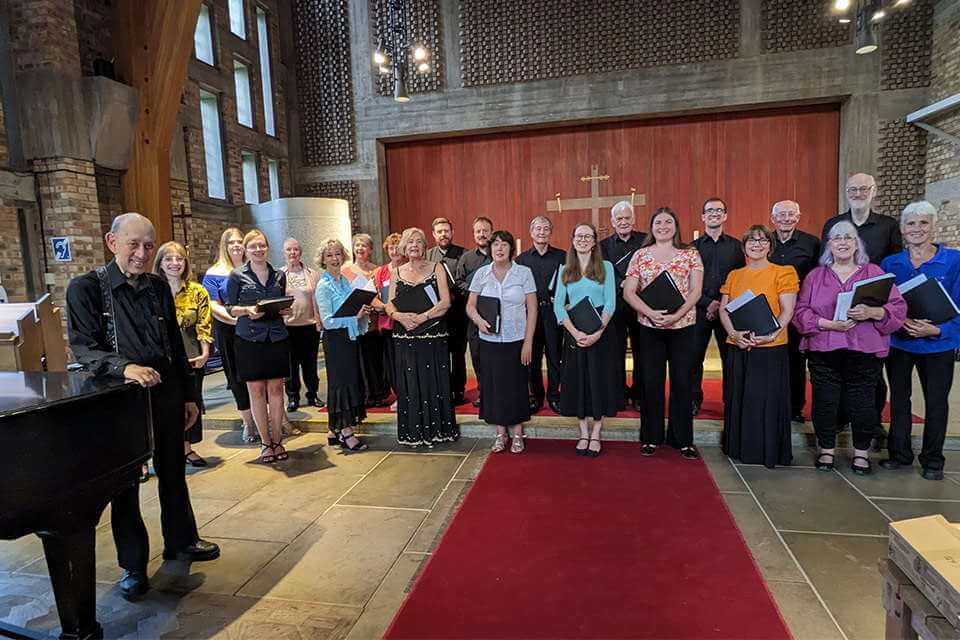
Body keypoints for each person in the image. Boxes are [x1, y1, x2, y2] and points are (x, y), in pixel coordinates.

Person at [67, 213, 220, 601]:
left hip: (166, 393)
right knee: (125, 487)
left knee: (173, 472)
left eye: (148, 245)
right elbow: (84, 347)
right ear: (111, 241)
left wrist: (189, 396)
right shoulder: (85, 288)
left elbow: (173, 344)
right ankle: (133, 566)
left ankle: (181, 541)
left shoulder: (156, 287)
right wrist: (126, 368)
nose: (141, 253)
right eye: (133, 244)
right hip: (121, 401)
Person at [793, 221, 905, 475]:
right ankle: (826, 449)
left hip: (863, 349)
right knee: (825, 401)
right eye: (837, 238)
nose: (842, 242)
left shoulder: (874, 272)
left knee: (863, 403)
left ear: (857, 244)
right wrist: (827, 323)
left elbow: (898, 308)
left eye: (848, 238)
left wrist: (873, 311)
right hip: (824, 347)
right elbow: (801, 312)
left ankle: (862, 453)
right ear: (829, 245)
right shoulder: (815, 276)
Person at [880, 201, 960, 481]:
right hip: (900, 342)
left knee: (936, 401)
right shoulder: (891, 263)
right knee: (900, 399)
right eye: (911, 224)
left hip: (938, 343)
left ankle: (933, 460)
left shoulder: (954, 260)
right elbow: (885, 302)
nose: (917, 229)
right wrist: (900, 322)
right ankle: (899, 454)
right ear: (902, 229)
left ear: (933, 226)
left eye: (923, 223)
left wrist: (937, 331)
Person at [624, 207, 704, 459]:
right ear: (652, 227)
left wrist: (676, 315)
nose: (663, 226)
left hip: (683, 327)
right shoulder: (640, 255)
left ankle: (683, 439)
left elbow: (696, 291)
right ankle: (651, 436)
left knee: (682, 381)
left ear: (676, 225)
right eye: (658, 222)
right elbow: (629, 292)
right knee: (651, 382)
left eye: (668, 221)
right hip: (650, 327)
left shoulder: (690, 253)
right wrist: (650, 313)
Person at [719, 225, 799, 468]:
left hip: (770, 346)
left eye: (762, 240)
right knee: (740, 397)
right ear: (744, 247)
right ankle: (739, 447)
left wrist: (770, 335)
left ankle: (766, 451)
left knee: (765, 400)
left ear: (770, 246)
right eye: (751, 240)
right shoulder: (735, 275)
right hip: (739, 344)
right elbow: (724, 308)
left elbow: (787, 311)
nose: (757, 244)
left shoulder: (783, 272)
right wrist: (733, 332)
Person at [385, 227, 459, 446]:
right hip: (406, 336)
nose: (414, 245)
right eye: (410, 242)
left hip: (433, 334)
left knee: (434, 381)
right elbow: (389, 305)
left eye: (418, 241)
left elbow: (445, 302)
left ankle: (439, 430)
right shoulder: (396, 272)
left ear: (425, 246)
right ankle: (413, 433)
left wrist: (422, 317)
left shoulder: (437, 268)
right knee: (410, 382)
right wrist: (400, 316)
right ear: (404, 248)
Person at [467, 230, 538, 453]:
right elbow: (470, 305)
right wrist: (478, 320)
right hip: (489, 340)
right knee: (494, 386)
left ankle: (517, 434)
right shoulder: (481, 274)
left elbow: (533, 309)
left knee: (516, 386)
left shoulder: (524, 273)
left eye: (504, 244)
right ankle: (500, 434)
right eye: (495, 244)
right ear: (490, 249)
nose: (499, 248)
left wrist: (528, 342)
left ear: (511, 249)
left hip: (516, 339)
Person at [224, 230, 292, 464]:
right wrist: (247, 311)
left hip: (276, 336)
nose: (258, 250)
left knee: (275, 390)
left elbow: (281, 301)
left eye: (261, 245)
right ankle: (265, 443)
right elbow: (230, 308)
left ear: (267, 247)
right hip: (249, 339)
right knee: (256, 391)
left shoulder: (278, 275)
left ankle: (277, 440)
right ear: (246, 249)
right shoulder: (237, 275)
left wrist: (286, 309)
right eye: (253, 246)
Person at [554, 223, 620, 457]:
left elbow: (611, 302)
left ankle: (597, 431)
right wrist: (575, 332)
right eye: (578, 236)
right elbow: (558, 306)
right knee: (579, 381)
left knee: (598, 381)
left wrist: (598, 332)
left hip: (600, 332)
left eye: (587, 236)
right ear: (572, 240)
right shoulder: (565, 269)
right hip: (574, 332)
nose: (583, 239)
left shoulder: (606, 267)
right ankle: (583, 431)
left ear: (594, 242)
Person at [153, 241, 213, 468]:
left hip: (191, 355)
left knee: (191, 401)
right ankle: (160, 450)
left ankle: (186, 448)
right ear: (160, 263)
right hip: (161, 358)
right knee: (164, 404)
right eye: (169, 259)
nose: (174, 263)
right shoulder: (151, 292)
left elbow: (204, 324)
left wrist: (205, 351)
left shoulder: (197, 291)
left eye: (179, 259)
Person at [314, 238, 370, 452]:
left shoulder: (344, 281)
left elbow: (350, 309)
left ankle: (333, 429)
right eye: (329, 255)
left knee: (348, 381)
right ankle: (345, 432)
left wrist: (362, 313)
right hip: (336, 341)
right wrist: (354, 317)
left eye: (337, 254)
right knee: (341, 384)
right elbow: (327, 321)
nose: (334, 258)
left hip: (349, 338)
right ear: (323, 259)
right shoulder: (323, 285)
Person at [691, 197, 744, 417]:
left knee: (730, 360)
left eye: (719, 210)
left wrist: (721, 303)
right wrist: (707, 302)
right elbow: (687, 281)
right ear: (703, 216)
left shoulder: (736, 247)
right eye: (709, 210)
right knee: (693, 359)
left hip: (728, 311)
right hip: (699, 309)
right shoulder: (691, 248)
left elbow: (741, 280)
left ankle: (730, 402)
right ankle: (693, 400)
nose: (714, 214)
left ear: (725, 216)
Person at [202, 228, 257, 442]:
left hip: (253, 328)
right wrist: (236, 319)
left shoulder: (250, 268)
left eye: (239, 241)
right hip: (229, 329)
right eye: (231, 242)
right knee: (236, 376)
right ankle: (248, 422)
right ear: (224, 246)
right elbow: (213, 305)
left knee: (256, 374)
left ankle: (264, 417)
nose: (236, 245)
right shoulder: (215, 272)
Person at [770, 200, 821, 423]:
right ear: (773, 218)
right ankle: (773, 403)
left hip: (799, 310)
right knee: (772, 358)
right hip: (771, 310)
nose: (786, 218)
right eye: (781, 215)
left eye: (791, 214)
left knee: (796, 360)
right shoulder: (765, 241)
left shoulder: (812, 243)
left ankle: (794, 407)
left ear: (798, 217)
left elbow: (818, 278)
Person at [515, 215, 565, 414]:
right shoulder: (521, 260)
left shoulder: (562, 256)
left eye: (545, 228)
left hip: (554, 313)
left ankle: (554, 395)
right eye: (538, 228)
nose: (541, 232)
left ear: (550, 232)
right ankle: (535, 396)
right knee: (533, 358)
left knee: (555, 356)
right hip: (530, 315)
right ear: (531, 232)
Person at [599, 201, 646, 410]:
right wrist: (623, 283)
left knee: (641, 351)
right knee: (614, 352)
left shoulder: (646, 241)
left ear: (633, 219)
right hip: (615, 305)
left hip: (640, 304)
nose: (624, 222)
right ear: (612, 222)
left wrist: (633, 284)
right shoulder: (603, 246)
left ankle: (638, 394)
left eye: (627, 218)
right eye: (619, 219)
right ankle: (618, 393)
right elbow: (602, 272)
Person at [345, 233, 391, 407]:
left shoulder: (378, 270)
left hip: (375, 322)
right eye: (357, 245)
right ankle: (363, 395)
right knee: (360, 360)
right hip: (356, 321)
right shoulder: (345, 272)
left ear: (371, 249)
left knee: (375, 359)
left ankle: (379, 393)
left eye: (364, 245)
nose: (360, 248)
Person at [426, 217, 467, 405]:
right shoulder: (428, 256)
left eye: (446, 231)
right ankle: (442, 388)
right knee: (440, 353)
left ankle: (458, 389)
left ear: (452, 232)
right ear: (434, 235)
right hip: (437, 315)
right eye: (439, 231)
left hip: (458, 313)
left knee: (458, 354)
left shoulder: (464, 254)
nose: (443, 234)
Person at [280, 238, 324, 412]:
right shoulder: (279, 274)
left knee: (310, 364)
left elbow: (318, 299)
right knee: (291, 365)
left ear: (300, 252)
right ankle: (293, 397)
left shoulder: (312, 273)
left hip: (309, 326)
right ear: (284, 252)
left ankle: (312, 394)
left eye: (296, 249)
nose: (293, 253)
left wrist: (320, 322)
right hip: (288, 327)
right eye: (289, 250)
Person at [456, 216, 495, 407]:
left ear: (491, 232)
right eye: (478, 231)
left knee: (496, 355)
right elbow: (458, 282)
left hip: (497, 313)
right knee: (478, 354)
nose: (482, 234)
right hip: (473, 314)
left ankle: (497, 390)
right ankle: (483, 392)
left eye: (485, 230)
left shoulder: (499, 253)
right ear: (474, 234)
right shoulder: (467, 258)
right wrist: (475, 289)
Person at [372, 233, 406, 407]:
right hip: (388, 324)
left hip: (406, 324)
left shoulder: (410, 268)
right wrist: (384, 306)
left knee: (406, 362)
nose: (395, 251)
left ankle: (409, 394)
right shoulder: (381, 272)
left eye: (398, 247)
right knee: (392, 363)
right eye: (391, 247)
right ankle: (399, 395)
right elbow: (374, 297)